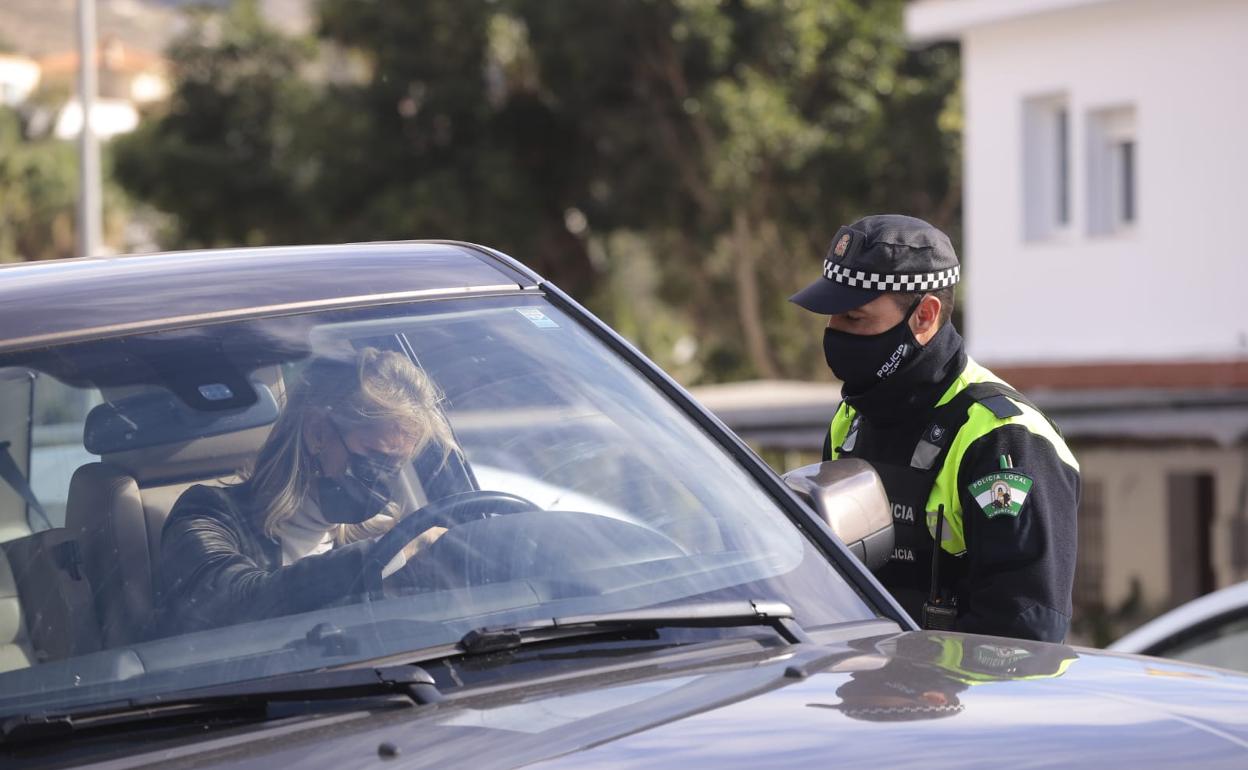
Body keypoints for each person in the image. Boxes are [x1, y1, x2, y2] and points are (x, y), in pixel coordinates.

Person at [790, 214, 1079, 642]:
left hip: (957, 703)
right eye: (831, 319)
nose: (835, 335)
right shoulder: (851, 419)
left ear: (925, 316)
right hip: (860, 691)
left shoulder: (1005, 439)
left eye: (854, 318)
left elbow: (1023, 638)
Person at [156, 347, 457, 635]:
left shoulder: (381, 534)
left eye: (395, 464)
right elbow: (230, 605)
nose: (382, 476)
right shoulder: (209, 513)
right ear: (317, 432)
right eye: (373, 455)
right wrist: (390, 551)